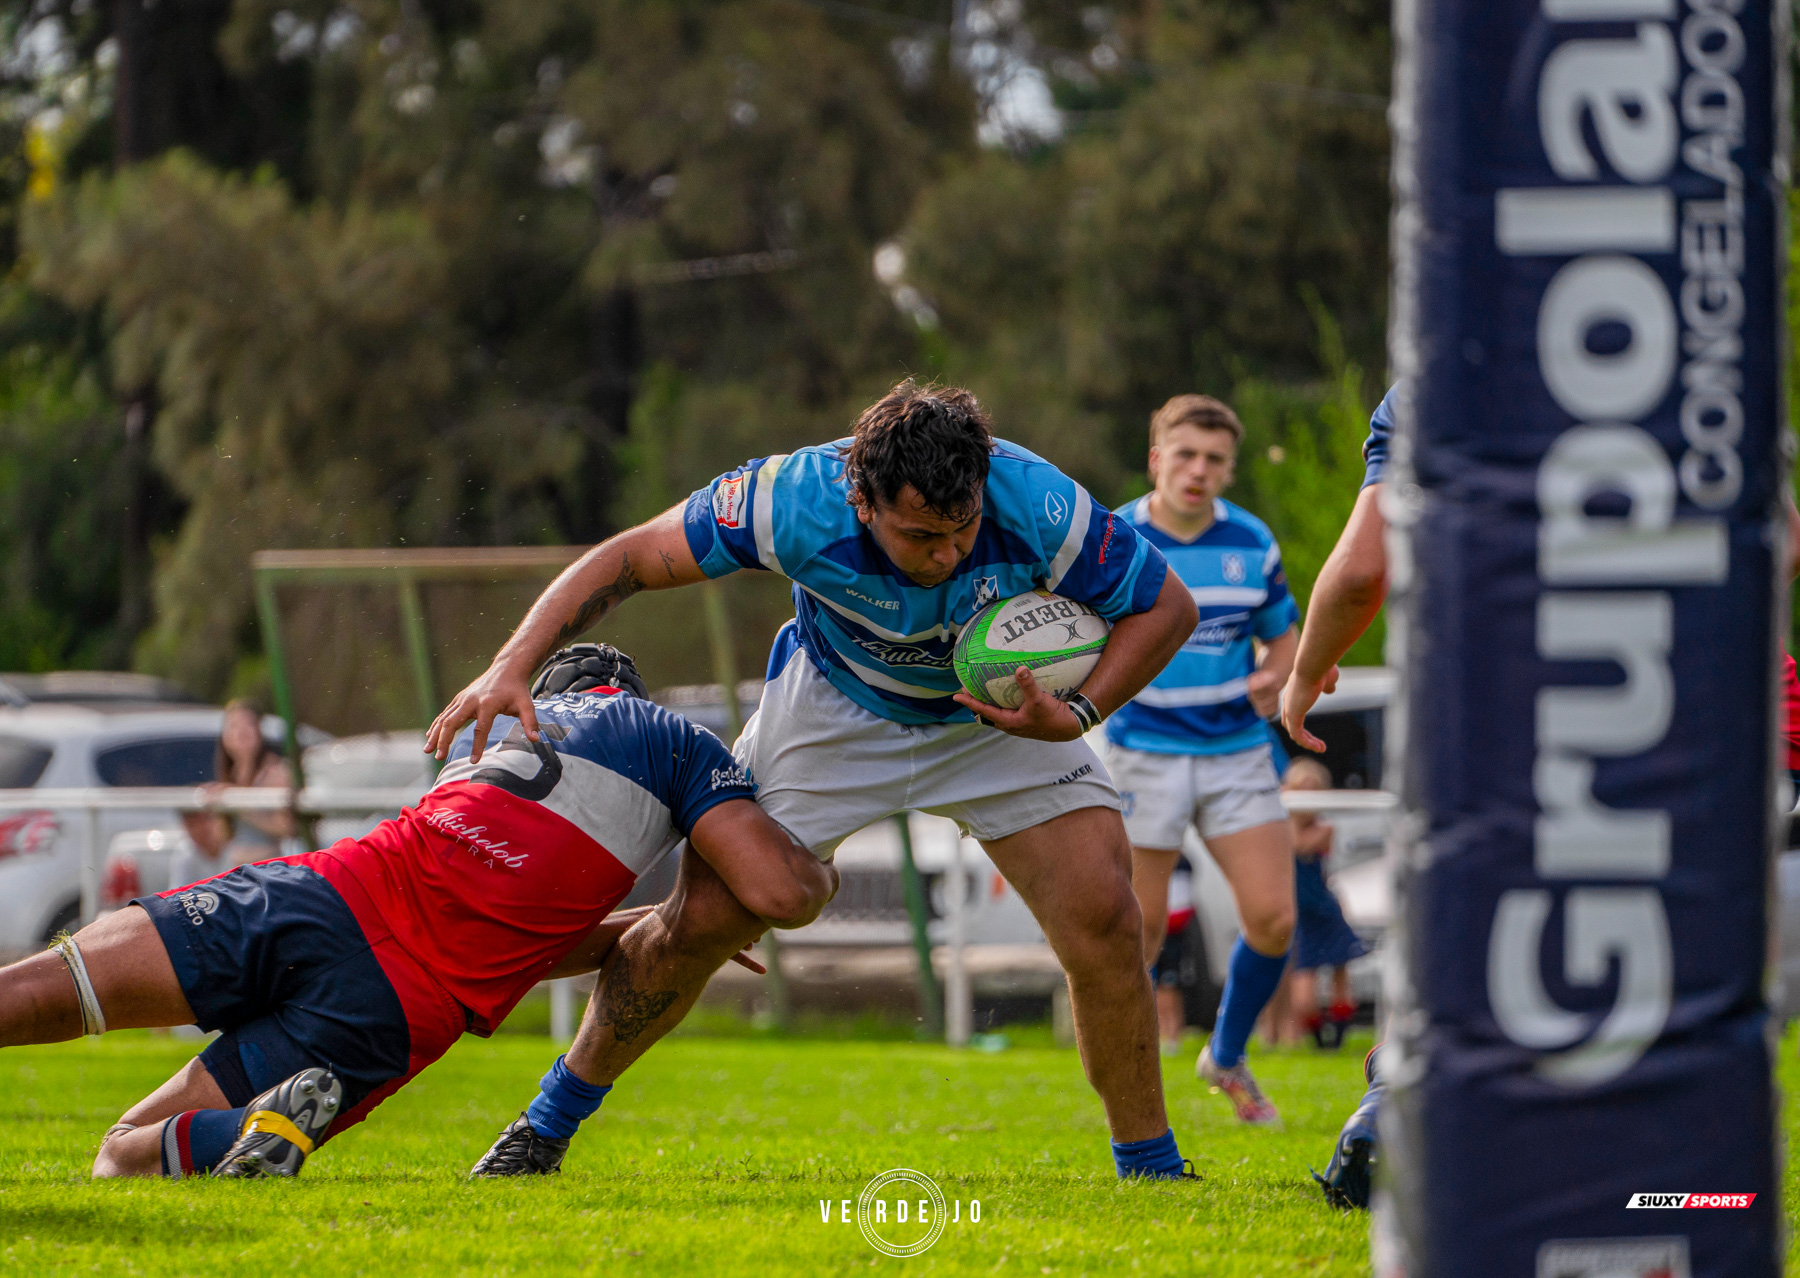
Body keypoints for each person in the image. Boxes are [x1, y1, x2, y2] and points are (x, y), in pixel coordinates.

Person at [430, 381, 1205, 1181]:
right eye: (920, 536)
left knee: (1109, 916)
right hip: (834, 709)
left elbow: (1167, 607)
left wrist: (1078, 711)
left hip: (999, 723)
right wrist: (510, 666)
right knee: (704, 918)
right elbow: (627, 559)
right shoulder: (786, 499)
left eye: (963, 529)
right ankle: (546, 1124)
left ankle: (1150, 1168)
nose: (948, 555)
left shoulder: (1037, 499)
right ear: (862, 502)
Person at [0, 645, 833, 1180]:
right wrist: (706, 919)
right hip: (398, 1007)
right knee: (123, 1156)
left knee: (60, 985)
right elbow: (776, 892)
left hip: (329, 894)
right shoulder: (674, 739)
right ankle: (248, 1132)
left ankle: (248, 1129)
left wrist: (664, 923)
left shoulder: (499, 740)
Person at [1101, 394, 1299, 1127]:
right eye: (1184, 454)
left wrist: (1275, 676)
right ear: (1156, 458)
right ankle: (1134, 1096)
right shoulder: (1114, 538)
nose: (1198, 469)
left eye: (1215, 459)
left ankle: (1225, 1055)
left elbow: (1284, 639)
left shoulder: (1253, 543)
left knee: (1275, 918)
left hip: (1235, 751)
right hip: (1142, 751)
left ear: (1230, 469)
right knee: (1138, 936)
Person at [1281, 757, 1366, 1050]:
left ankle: (1338, 1039)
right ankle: (1317, 1041)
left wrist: (1288, 812)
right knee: (1303, 990)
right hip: (1300, 913)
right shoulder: (1280, 827)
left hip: (1324, 910)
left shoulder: (1323, 829)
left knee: (1340, 974)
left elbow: (1300, 846)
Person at [212, 699, 294, 849]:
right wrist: (215, 803)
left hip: (271, 867)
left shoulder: (275, 772)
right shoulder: (231, 774)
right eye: (233, 726)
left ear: (260, 730)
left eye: (248, 724)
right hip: (238, 865)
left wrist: (239, 805)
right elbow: (224, 837)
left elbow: (288, 828)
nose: (240, 732)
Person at [1151, 853, 1197, 1056]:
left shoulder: (1181, 861)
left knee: (1168, 986)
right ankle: (1164, 1033)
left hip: (1171, 933)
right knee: (1161, 985)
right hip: (1161, 929)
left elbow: (1180, 907)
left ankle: (1172, 1034)